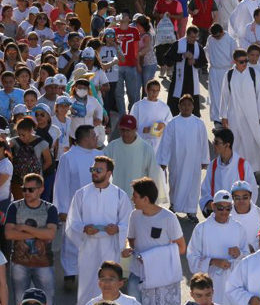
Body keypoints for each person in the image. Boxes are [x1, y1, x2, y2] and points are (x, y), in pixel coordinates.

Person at [65, 156, 133, 305]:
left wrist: (117, 229)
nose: (94, 172)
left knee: (109, 284)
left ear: (109, 173)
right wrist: (84, 229)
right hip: (87, 247)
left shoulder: (120, 195)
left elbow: (128, 222)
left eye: (98, 170)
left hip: (110, 246)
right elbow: (72, 222)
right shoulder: (81, 194)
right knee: (87, 284)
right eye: (92, 169)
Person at [122, 178, 185, 305]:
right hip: (137, 273)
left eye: (135, 196)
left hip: (161, 276)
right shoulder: (134, 215)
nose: (132, 199)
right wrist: (128, 249)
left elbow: (181, 247)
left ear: (145, 199)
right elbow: (131, 239)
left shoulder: (169, 218)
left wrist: (152, 258)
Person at [54, 124, 101, 287]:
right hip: (74, 208)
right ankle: (70, 273)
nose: (97, 138)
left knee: (94, 240)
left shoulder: (100, 156)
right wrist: (62, 209)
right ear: (85, 138)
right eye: (93, 135)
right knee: (72, 242)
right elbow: (61, 184)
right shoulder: (69, 157)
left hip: (96, 207)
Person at [187, 190, 250, 304]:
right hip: (209, 287)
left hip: (233, 284)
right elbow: (192, 257)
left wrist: (239, 253)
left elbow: (247, 258)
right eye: (221, 208)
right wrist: (212, 261)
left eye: (228, 208)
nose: (224, 212)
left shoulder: (238, 228)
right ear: (213, 206)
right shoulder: (202, 229)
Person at [4, 173, 59, 305]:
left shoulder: (50, 209)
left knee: (47, 301)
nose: (26, 192)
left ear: (41, 189)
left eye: (31, 189)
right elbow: (9, 234)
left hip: (44, 264)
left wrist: (23, 227)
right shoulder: (14, 207)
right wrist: (40, 233)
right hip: (19, 263)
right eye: (24, 189)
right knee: (20, 301)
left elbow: (50, 235)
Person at [157, 95, 209, 220]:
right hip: (177, 160)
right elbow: (166, 143)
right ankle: (174, 205)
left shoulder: (199, 123)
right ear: (179, 106)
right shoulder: (172, 123)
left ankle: (191, 211)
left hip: (194, 161)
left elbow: (203, 143)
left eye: (189, 105)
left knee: (193, 185)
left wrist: (204, 159)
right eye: (183, 105)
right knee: (175, 182)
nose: (186, 107)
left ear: (193, 106)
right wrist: (163, 161)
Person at [219, 49, 260, 173]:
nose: (244, 64)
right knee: (235, 142)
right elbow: (224, 95)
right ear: (235, 61)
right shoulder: (229, 75)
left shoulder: (253, 73)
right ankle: (236, 170)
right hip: (234, 114)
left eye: (246, 61)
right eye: (241, 62)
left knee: (252, 142)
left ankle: (252, 171)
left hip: (251, 114)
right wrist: (223, 116)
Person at [103, 114, 165, 204]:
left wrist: (153, 199)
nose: (125, 133)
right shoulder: (112, 146)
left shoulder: (146, 148)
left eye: (128, 130)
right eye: (122, 130)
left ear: (135, 130)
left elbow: (153, 174)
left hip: (139, 197)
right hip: (117, 195)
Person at [200, 128, 258, 215]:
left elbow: (253, 190)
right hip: (218, 215)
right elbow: (205, 189)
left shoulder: (242, 165)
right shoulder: (213, 165)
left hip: (238, 215)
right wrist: (209, 204)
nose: (213, 145)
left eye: (216, 142)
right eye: (213, 142)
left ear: (227, 145)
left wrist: (244, 211)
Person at [164, 26, 208, 117]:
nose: (194, 39)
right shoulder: (178, 44)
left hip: (192, 83)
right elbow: (167, 59)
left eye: (196, 37)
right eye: (192, 37)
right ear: (187, 35)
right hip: (178, 80)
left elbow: (204, 62)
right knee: (174, 106)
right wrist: (181, 56)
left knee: (193, 107)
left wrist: (195, 61)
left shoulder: (198, 47)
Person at [205, 24, 238, 125]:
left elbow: (235, 57)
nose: (216, 38)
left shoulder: (231, 41)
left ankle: (227, 118)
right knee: (214, 96)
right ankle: (216, 119)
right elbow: (207, 51)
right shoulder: (210, 39)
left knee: (226, 96)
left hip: (226, 71)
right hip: (214, 71)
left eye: (218, 36)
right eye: (214, 36)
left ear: (222, 32)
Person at [129, 79, 173, 152]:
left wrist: (163, 124)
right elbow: (131, 125)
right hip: (141, 142)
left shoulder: (164, 107)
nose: (154, 93)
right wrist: (143, 129)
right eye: (152, 90)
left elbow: (170, 122)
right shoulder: (138, 106)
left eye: (157, 91)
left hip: (158, 145)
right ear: (147, 90)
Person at [230, 180, 260, 253]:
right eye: (237, 198)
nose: (241, 201)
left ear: (251, 196)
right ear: (232, 198)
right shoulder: (225, 214)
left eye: (245, 197)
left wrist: (255, 251)